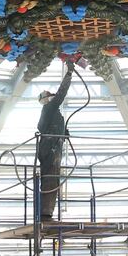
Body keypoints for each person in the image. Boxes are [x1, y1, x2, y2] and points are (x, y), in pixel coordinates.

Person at [35, 63, 75, 220]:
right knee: (51, 177)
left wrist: (64, 133)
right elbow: (61, 94)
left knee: (51, 177)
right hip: (50, 148)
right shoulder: (50, 108)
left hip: (51, 147)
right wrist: (69, 74)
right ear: (47, 99)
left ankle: (47, 210)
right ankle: (46, 211)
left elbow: (51, 128)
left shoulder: (51, 114)